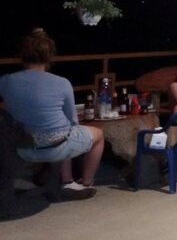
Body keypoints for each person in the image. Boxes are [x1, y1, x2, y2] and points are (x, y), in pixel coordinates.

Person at [0, 28, 104, 200]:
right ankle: (85, 183)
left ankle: (67, 180)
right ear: (49, 57)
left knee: (61, 130)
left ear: (22, 56)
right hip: (56, 147)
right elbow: (72, 120)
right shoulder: (62, 83)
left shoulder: (6, 81)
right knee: (97, 135)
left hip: (23, 147)